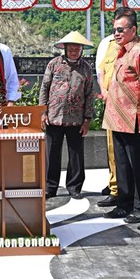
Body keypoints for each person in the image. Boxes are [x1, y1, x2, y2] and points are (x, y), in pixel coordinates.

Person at [101, 8, 140, 224]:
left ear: (133, 30)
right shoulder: (120, 51)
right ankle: (124, 204)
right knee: (122, 164)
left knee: (138, 165)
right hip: (116, 118)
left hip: (134, 119)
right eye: (114, 29)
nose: (116, 33)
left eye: (121, 29)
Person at [39, 31, 94, 200]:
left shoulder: (86, 68)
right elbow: (44, 88)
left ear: (81, 49)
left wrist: (87, 119)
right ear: (64, 48)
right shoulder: (54, 64)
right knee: (51, 154)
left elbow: (89, 93)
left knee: (76, 154)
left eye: (77, 49)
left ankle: (74, 186)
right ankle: (50, 186)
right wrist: (43, 112)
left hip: (76, 118)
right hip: (54, 116)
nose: (74, 51)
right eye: (71, 48)